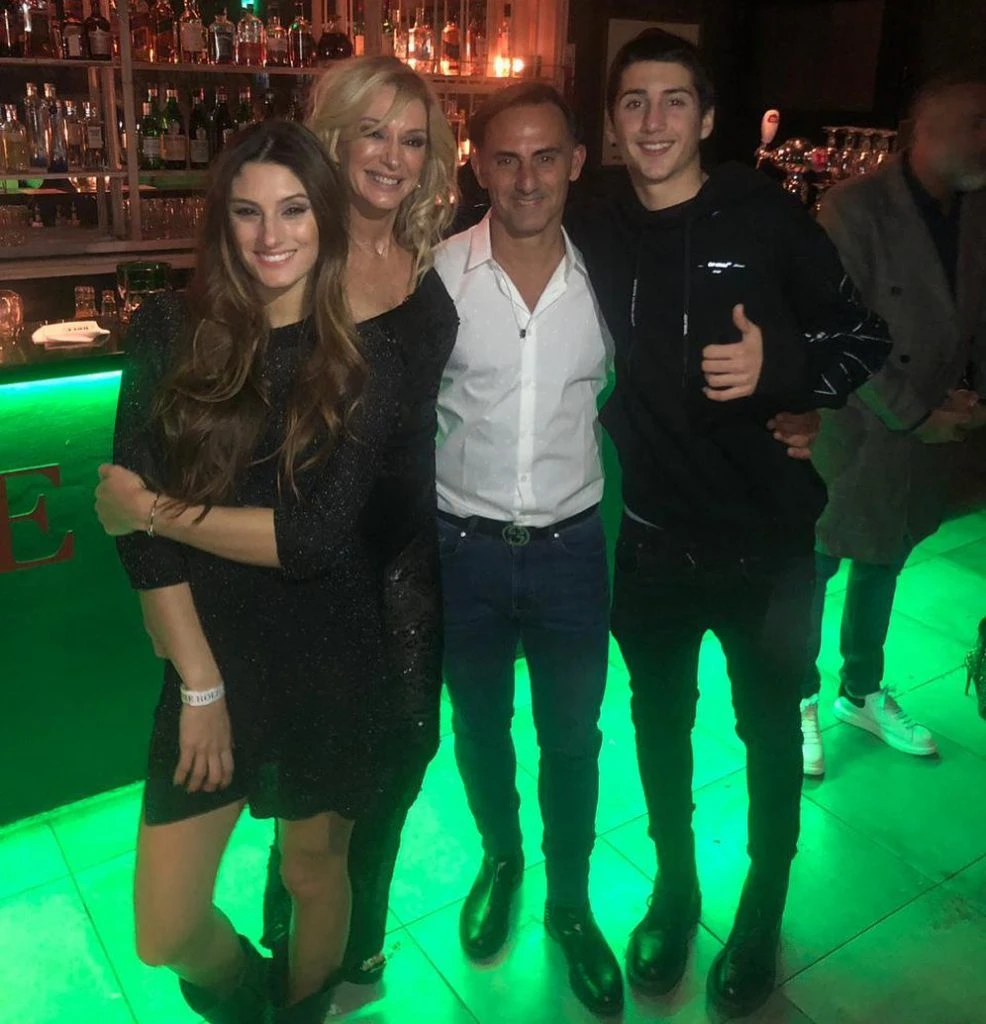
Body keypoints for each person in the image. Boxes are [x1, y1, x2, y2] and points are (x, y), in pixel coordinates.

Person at [574, 29, 893, 1019]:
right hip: (651, 540)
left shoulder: (764, 216)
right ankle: (675, 888)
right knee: (658, 724)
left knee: (768, 730)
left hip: (769, 548)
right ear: (611, 122)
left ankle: (762, 903)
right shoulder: (594, 218)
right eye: (634, 102)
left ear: (707, 117)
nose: (653, 121)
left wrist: (782, 373)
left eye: (674, 100)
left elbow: (862, 338)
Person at [94, 120, 403, 1023]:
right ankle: (256, 1001)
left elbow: (312, 540)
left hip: (331, 655)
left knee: (314, 871)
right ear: (221, 222)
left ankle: (304, 1011)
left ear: (326, 221)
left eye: (294, 210)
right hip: (210, 656)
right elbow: (137, 543)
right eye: (247, 212)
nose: (271, 235)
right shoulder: (167, 329)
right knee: (165, 929)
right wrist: (200, 685)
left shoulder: (365, 357)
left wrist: (155, 508)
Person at [257, 56, 460, 988]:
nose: (391, 155)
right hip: (315, 561)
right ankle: (292, 951)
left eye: (412, 139)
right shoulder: (292, 251)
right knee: (313, 780)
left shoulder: (426, 248)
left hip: (409, 554)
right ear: (332, 139)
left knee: (406, 749)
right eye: (372, 132)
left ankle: (359, 940)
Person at [801, 75, 986, 776]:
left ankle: (861, 689)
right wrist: (916, 413)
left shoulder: (975, 210)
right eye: (975, 122)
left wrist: (973, 397)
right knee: (814, 567)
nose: (985, 138)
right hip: (852, 427)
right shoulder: (855, 206)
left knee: (887, 556)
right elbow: (835, 329)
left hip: (927, 430)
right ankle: (796, 697)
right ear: (923, 131)